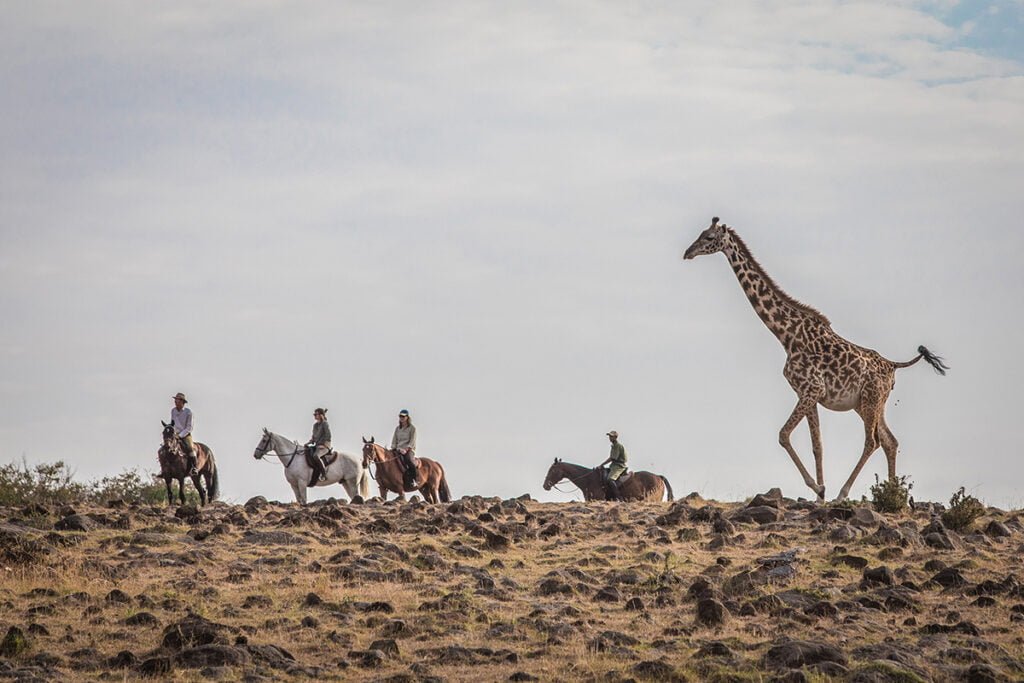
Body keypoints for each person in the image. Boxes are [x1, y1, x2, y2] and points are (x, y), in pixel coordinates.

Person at [170, 392, 197, 475]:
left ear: (182, 401)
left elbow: (189, 427)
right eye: (175, 400)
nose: (175, 401)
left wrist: (180, 435)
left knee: (190, 448)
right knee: (166, 447)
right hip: (175, 434)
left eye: (177, 400)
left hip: (185, 434)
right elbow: (172, 423)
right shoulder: (173, 411)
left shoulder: (188, 412)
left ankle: (194, 467)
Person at [391, 409, 418, 488]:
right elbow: (394, 440)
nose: (401, 418)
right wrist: (394, 447)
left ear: (407, 417)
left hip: (408, 450)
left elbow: (412, 441)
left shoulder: (412, 428)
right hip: (398, 449)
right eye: (400, 416)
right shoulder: (397, 428)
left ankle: (414, 480)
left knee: (409, 461)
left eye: (403, 416)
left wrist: (406, 449)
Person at [304, 408, 332, 487]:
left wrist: (324, 444)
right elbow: (313, 438)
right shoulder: (315, 425)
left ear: (321, 415)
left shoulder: (325, 424)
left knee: (316, 456)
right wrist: (308, 443)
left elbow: (328, 436)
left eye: (316, 414)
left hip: (325, 446)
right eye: (314, 414)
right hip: (317, 446)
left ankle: (323, 474)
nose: (315, 416)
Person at [597, 430, 628, 501]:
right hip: (613, 466)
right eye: (609, 436)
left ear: (615, 437)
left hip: (619, 466)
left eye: (611, 436)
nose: (610, 438)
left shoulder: (618, 446)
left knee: (610, 479)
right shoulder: (614, 446)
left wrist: (601, 465)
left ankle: (619, 497)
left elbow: (612, 458)